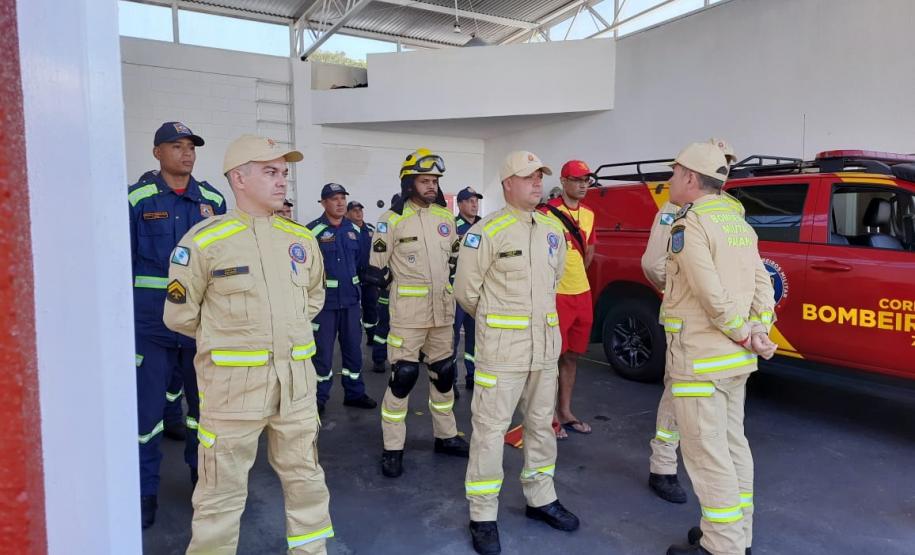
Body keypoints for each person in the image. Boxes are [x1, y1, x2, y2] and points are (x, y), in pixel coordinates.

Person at [164, 134, 334, 554]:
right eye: (270, 172)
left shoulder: (301, 241)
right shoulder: (203, 242)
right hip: (232, 393)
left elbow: (312, 301)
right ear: (238, 179)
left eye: (284, 173)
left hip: (295, 388)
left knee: (308, 485)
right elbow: (180, 316)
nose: (282, 182)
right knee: (219, 498)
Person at [456, 151, 579, 555]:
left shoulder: (551, 229)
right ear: (508, 183)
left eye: (539, 176)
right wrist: (499, 323)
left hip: (544, 350)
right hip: (502, 352)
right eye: (528, 177)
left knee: (542, 427)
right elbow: (466, 293)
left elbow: (556, 277)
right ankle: (483, 514)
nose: (536, 183)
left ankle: (541, 498)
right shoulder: (486, 232)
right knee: (490, 432)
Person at [660, 142, 777, 555]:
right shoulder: (739, 224)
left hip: (701, 360)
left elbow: (708, 292)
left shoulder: (689, 225)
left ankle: (721, 548)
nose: (670, 180)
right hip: (734, 363)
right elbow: (763, 284)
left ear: (691, 178)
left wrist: (742, 332)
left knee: (708, 458)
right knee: (733, 448)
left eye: (674, 173)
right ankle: (734, 535)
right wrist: (759, 329)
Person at [128, 122, 226, 528]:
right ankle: (143, 490)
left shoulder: (214, 201)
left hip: (199, 328)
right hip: (150, 327)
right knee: (146, 416)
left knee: (204, 413)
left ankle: (201, 479)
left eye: (190, 147)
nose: (186, 154)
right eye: (176, 146)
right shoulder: (137, 199)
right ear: (157, 153)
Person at [643, 139, 739, 504]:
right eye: (720, 163)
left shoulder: (733, 209)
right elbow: (654, 264)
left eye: (728, 164)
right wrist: (686, 291)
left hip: (722, 326)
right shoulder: (673, 209)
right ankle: (663, 466)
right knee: (676, 394)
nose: (723, 170)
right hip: (689, 324)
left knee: (720, 409)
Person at [364, 148, 469, 478]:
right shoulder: (390, 221)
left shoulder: (445, 219)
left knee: (445, 375)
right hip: (407, 316)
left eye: (435, 181)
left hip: (442, 314)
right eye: (425, 181)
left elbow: (454, 261)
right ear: (409, 183)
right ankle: (393, 447)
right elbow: (375, 272)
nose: (432, 187)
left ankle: (446, 435)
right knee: (402, 379)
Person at [307, 184, 377, 414]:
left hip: (350, 302)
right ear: (323, 203)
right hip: (324, 305)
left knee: (353, 351)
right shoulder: (312, 232)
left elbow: (362, 264)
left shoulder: (356, 231)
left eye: (342, 198)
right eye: (334, 199)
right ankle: (319, 397)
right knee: (322, 354)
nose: (340, 203)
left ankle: (354, 392)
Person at [540, 160, 596, 437]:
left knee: (572, 356)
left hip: (581, 294)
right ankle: (547, 416)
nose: (583, 184)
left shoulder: (589, 213)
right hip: (556, 296)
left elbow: (590, 251)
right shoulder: (545, 213)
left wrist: (576, 277)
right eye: (576, 179)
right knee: (551, 357)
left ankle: (565, 411)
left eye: (586, 179)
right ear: (563, 181)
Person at [452, 186, 483, 398]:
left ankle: (472, 375)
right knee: (451, 339)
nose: (474, 204)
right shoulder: (451, 227)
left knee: (475, 338)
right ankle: (451, 380)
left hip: (478, 291)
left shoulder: (484, 226)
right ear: (460, 204)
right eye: (469, 201)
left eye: (476, 201)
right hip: (455, 291)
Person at [368, 194, 400, 374]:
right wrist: (385, 278)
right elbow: (379, 257)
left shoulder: (411, 224)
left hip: (408, 291)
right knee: (384, 326)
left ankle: (401, 360)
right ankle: (379, 359)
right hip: (389, 288)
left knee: (405, 329)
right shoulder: (385, 224)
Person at [347, 200, 380, 349]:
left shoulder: (371, 229)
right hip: (351, 277)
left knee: (371, 307)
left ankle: (371, 335)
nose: (358, 213)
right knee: (353, 309)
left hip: (369, 276)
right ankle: (353, 338)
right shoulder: (345, 230)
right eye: (354, 210)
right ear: (347, 214)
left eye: (360, 210)